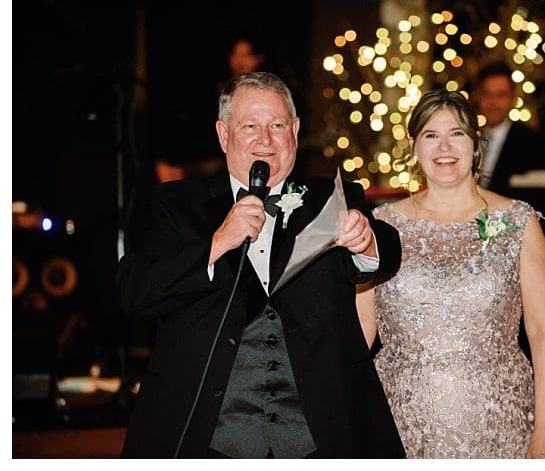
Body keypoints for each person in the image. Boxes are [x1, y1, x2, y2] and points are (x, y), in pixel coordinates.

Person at [116, 71, 405, 458]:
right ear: (223, 134)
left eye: (277, 125)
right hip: (206, 435)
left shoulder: (328, 198)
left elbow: (387, 249)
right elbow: (135, 292)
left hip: (323, 434)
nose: (264, 140)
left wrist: (366, 239)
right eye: (249, 125)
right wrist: (217, 242)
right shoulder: (175, 204)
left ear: (296, 131)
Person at [358, 89, 545, 458]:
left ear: (475, 142)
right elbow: (358, 336)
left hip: (499, 425)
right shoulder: (381, 227)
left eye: (456, 133)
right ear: (414, 146)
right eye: (431, 136)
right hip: (400, 424)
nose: (444, 147)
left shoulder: (518, 222)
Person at [474, 64, 545, 198]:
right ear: (478, 97)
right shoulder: (470, 139)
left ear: (513, 98)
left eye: (500, 95)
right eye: (487, 94)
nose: (493, 103)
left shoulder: (532, 142)